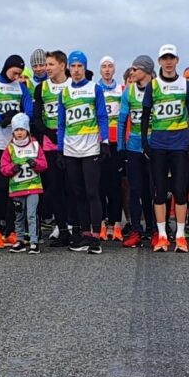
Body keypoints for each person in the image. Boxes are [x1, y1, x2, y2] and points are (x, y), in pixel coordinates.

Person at [141, 45, 189, 253]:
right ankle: (162, 235)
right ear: (159, 61)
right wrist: (145, 142)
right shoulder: (153, 85)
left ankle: (181, 235)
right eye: (164, 58)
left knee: (180, 191)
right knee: (159, 191)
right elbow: (145, 115)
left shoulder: (186, 85)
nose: (168, 62)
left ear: (177, 60)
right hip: (158, 144)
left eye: (171, 58)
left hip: (180, 144)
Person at [57, 50, 110, 254]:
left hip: (90, 148)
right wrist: (60, 150)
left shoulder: (94, 89)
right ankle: (85, 234)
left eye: (80, 66)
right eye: (73, 66)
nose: (76, 70)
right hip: (71, 149)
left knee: (92, 192)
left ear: (85, 68)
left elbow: (102, 116)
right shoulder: (64, 92)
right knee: (77, 193)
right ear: (68, 68)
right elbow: (61, 123)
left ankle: (96, 237)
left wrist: (104, 142)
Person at [0, 55, 33, 250]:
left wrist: (17, 117)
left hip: (16, 145)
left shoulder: (21, 87)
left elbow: (29, 112)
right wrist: (0, 117)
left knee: (15, 189)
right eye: (14, 72)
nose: (16, 77)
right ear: (7, 67)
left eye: (19, 74)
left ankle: (11, 230)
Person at [31, 50, 72, 246]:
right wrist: (48, 132)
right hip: (50, 142)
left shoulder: (73, 85)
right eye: (46, 64)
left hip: (72, 141)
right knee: (55, 187)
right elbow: (37, 118)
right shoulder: (41, 88)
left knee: (72, 186)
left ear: (62, 66)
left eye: (50, 64)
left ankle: (75, 226)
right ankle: (62, 228)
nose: (46, 68)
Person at [119, 57, 155, 248]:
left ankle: (154, 229)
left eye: (135, 69)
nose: (131, 72)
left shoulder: (157, 89)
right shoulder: (129, 91)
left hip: (154, 145)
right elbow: (122, 120)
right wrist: (121, 148)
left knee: (153, 190)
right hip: (133, 146)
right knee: (135, 189)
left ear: (146, 70)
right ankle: (136, 230)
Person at [0, 113, 47, 254]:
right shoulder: (10, 148)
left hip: (33, 187)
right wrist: (12, 169)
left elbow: (44, 164)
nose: (19, 133)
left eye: (22, 130)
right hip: (17, 188)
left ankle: (33, 241)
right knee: (19, 216)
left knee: (31, 215)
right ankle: (20, 240)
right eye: (16, 130)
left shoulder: (35, 145)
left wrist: (35, 164)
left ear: (27, 130)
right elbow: (3, 167)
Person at [97, 56, 125, 242]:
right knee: (100, 184)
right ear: (100, 70)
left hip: (117, 143)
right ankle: (102, 223)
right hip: (100, 142)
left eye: (110, 67)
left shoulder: (122, 89)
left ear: (114, 69)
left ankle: (116, 224)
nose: (107, 70)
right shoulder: (95, 89)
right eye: (104, 67)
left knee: (116, 185)